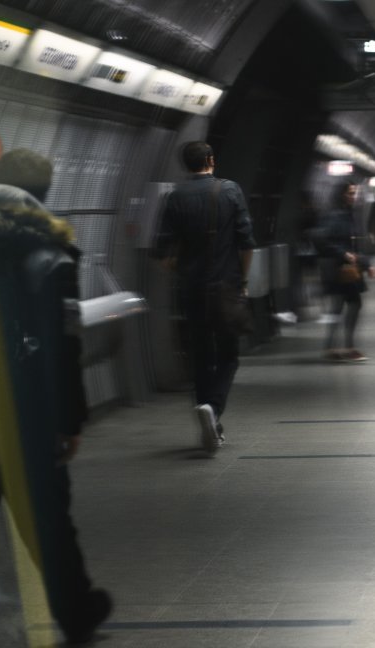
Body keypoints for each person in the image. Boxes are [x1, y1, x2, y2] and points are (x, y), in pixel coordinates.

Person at [0, 148, 112, 644]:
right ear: (45, 193)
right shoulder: (50, 251)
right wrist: (70, 419)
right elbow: (64, 342)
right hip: (27, 407)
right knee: (47, 513)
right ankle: (75, 609)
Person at [153, 141, 255, 454]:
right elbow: (246, 242)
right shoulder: (230, 190)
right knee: (228, 354)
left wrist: (181, 268)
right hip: (225, 286)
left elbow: (161, 252)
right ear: (211, 160)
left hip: (192, 289)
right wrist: (243, 281)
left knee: (199, 355)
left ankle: (206, 414)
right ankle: (214, 409)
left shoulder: (174, 196)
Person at [315, 182, 374, 362]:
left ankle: (335, 347)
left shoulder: (349, 214)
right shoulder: (335, 216)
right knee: (347, 306)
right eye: (350, 193)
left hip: (347, 269)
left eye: (354, 193)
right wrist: (345, 254)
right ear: (341, 195)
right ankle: (343, 347)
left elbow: (353, 243)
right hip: (338, 270)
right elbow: (324, 241)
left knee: (344, 307)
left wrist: (365, 263)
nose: (353, 196)